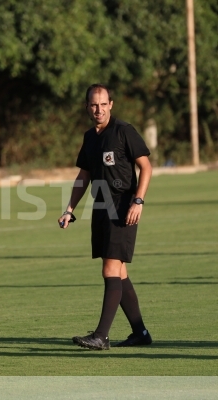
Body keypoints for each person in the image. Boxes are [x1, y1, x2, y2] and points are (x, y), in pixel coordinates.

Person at [59, 84, 153, 350]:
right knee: (119, 273)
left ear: (111, 104)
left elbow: (146, 166)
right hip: (100, 208)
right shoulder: (90, 137)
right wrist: (69, 209)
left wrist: (138, 201)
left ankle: (101, 335)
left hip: (123, 209)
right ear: (87, 107)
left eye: (102, 104)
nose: (98, 109)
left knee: (110, 269)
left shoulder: (124, 131)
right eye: (93, 105)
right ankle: (140, 333)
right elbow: (84, 176)